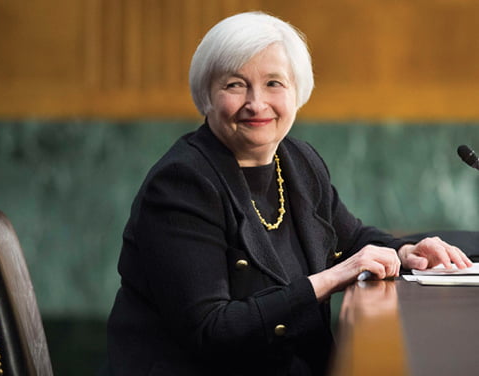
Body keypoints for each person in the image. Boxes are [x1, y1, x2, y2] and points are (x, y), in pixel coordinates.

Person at [105, 11, 472, 376]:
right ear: (207, 94)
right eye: (234, 84)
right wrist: (330, 279)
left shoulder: (297, 161)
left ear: (298, 91)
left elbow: (351, 238)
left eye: (274, 83)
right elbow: (212, 330)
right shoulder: (182, 182)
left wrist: (405, 251)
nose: (256, 103)